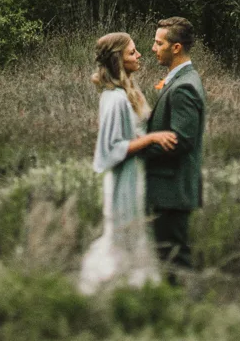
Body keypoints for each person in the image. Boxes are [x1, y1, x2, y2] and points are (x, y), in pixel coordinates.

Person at [77, 31, 171, 293]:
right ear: (119, 59)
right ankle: (104, 286)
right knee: (122, 230)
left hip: (136, 172)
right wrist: (152, 139)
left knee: (136, 229)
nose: (139, 55)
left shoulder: (129, 91)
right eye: (132, 52)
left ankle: (135, 287)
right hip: (122, 177)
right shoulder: (114, 99)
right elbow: (111, 148)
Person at [133, 16, 204, 272]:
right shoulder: (178, 81)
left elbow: (182, 140)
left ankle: (185, 308)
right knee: (167, 258)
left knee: (175, 260)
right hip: (167, 188)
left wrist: (136, 151)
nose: (153, 48)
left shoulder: (184, 87)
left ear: (176, 47)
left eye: (158, 43)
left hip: (172, 188)